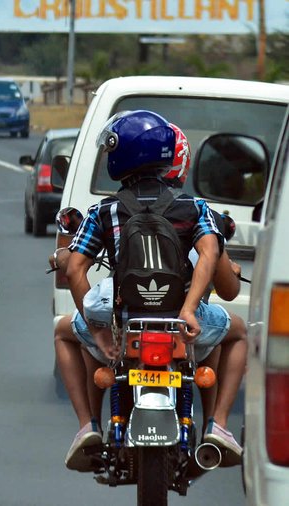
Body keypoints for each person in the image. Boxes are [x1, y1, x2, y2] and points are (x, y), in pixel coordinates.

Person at [60, 111, 243, 470]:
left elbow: (74, 269)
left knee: (62, 332)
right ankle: (219, 425)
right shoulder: (195, 207)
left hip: (123, 325)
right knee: (238, 334)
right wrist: (189, 308)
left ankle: (87, 427)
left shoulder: (105, 210)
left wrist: (98, 331)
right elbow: (209, 253)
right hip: (183, 323)